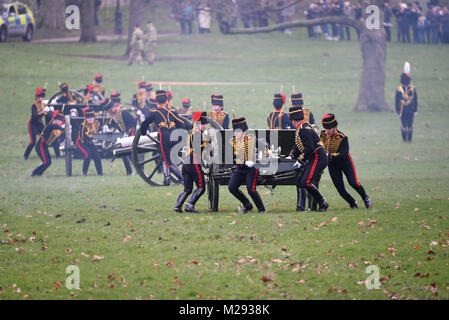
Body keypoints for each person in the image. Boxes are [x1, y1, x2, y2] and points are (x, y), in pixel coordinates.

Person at [320, 114, 372, 209]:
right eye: (325, 128)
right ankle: (352, 203)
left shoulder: (343, 137)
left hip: (345, 163)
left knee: (353, 183)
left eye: (329, 129)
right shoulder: (322, 134)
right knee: (340, 190)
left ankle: (365, 197)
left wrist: (329, 155)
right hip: (332, 165)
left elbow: (343, 154)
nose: (326, 131)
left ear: (335, 127)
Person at [140, 90, 187, 185]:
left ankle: (183, 179)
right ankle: (167, 179)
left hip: (164, 138)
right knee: (169, 159)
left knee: (168, 162)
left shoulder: (154, 112)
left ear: (156, 101)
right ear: (167, 101)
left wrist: (144, 133)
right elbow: (182, 124)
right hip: (175, 138)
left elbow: (145, 123)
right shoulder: (172, 111)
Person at [289, 106, 329, 212]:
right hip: (314, 158)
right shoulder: (303, 127)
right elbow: (299, 146)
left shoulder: (303, 129)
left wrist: (300, 160)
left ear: (293, 121)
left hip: (318, 157)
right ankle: (316, 204)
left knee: (306, 182)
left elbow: (309, 148)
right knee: (301, 181)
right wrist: (291, 156)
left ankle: (322, 202)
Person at [228, 117, 266, 213]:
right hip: (240, 169)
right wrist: (244, 162)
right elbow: (233, 158)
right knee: (232, 187)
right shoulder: (233, 142)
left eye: (238, 132)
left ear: (244, 132)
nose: (235, 134)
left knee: (251, 190)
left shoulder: (252, 140)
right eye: (234, 132)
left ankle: (262, 209)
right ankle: (247, 204)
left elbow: (265, 148)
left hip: (252, 169)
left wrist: (259, 158)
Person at [174, 111, 209, 213]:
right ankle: (190, 205)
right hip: (194, 161)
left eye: (204, 124)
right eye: (202, 124)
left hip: (186, 163)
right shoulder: (197, 134)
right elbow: (200, 149)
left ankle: (178, 206)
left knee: (187, 189)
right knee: (201, 187)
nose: (204, 126)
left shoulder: (192, 132)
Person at [105, 92, 136, 175]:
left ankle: (139, 169)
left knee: (131, 152)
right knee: (123, 153)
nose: (109, 111)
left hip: (130, 133)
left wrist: (130, 135)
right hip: (123, 134)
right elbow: (114, 125)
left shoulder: (123, 112)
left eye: (110, 109)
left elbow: (133, 123)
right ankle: (129, 171)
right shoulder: (112, 115)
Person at [30, 111, 65, 177]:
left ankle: (39, 174)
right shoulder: (50, 125)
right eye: (57, 120)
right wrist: (62, 127)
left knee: (48, 163)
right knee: (46, 162)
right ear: (54, 120)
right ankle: (33, 173)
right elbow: (53, 126)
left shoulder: (57, 129)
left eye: (60, 121)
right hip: (40, 146)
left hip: (45, 147)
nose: (58, 122)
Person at [76, 109, 103, 176]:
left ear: (94, 118)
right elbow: (85, 137)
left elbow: (99, 130)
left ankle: (100, 173)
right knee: (88, 155)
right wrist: (95, 136)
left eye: (91, 117)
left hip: (90, 142)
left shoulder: (97, 123)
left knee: (97, 157)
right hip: (81, 142)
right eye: (88, 118)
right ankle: (84, 173)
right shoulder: (83, 126)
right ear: (86, 118)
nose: (90, 119)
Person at [24, 88, 49, 160]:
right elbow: (35, 116)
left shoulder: (44, 104)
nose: (41, 98)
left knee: (45, 138)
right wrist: (42, 113)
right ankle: (25, 155)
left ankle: (43, 154)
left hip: (40, 124)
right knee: (33, 142)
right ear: (37, 97)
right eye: (39, 97)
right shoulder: (34, 106)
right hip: (33, 125)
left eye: (42, 97)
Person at [395, 70, 418, 142]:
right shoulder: (413, 89)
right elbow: (415, 100)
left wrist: (397, 110)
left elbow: (396, 101)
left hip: (402, 109)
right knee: (410, 125)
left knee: (403, 125)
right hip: (410, 109)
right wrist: (415, 110)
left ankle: (404, 140)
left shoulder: (398, 89)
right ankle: (409, 140)